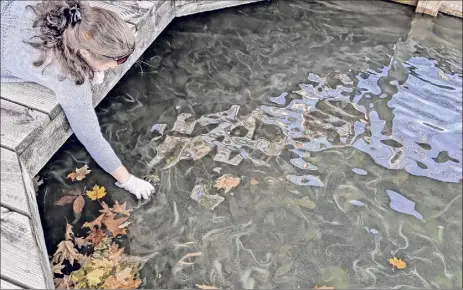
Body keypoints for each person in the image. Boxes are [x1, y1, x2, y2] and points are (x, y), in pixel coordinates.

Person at [1, 0, 154, 199]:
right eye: (113, 62)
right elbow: (90, 136)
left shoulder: (69, 10)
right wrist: (128, 181)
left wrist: (105, 56)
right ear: (84, 53)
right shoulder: (67, 79)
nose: (116, 65)